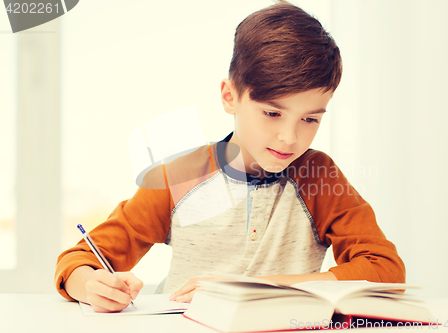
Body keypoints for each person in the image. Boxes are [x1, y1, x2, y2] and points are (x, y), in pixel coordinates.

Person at [55, 0, 405, 313]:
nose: (290, 137)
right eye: (272, 113)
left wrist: (259, 289)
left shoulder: (319, 176)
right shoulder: (178, 174)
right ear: (230, 96)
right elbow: (78, 261)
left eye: (310, 119)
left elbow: (385, 269)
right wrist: (91, 285)